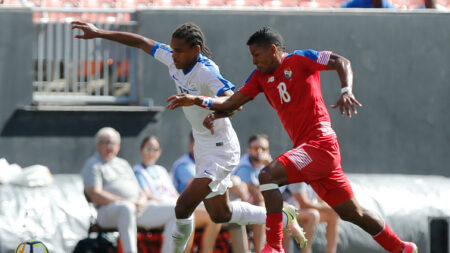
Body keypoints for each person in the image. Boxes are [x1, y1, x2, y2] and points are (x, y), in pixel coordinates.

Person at [166, 26, 418, 253]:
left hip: (321, 143)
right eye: (251, 56)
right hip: (309, 151)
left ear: (273, 49)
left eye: (257, 55)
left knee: (267, 175)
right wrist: (208, 105)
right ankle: (402, 248)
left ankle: (274, 245)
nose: (254, 61)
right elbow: (233, 101)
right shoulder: (260, 78)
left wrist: (345, 90)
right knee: (353, 213)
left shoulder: (300, 59)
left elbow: (341, 61)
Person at [72, 22, 306, 253]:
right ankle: (282, 215)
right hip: (203, 146)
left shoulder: (206, 71)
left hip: (221, 148)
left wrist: (213, 109)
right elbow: (141, 41)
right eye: (172, 49)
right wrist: (99, 32)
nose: (173, 55)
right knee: (220, 214)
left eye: (179, 50)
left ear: (195, 50)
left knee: (183, 207)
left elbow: (234, 101)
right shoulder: (173, 58)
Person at [133, 135, 221, 253]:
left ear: (159, 152)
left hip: (175, 206)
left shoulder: (161, 170)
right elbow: (147, 195)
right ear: (141, 150)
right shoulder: (138, 171)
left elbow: (174, 193)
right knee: (189, 216)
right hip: (159, 210)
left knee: (215, 216)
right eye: (148, 149)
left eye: (155, 150)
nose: (151, 153)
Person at [81, 127, 157, 253]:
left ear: (118, 146)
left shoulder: (123, 164)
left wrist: (142, 200)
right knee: (126, 208)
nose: (109, 147)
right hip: (106, 212)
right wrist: (128, 202)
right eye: (104, 143)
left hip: (136, 208)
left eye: (112, 143)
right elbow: (95, 194)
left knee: (173, 209)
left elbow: (139, 190)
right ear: (98, 145)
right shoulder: (93, 164)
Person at [233, 134, 272, 252]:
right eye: (255, 148)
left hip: (254, 207)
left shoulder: (264, 165)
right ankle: (260, 249)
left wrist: (269, 166)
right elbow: (259, 195)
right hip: (237, 209)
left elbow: (277, 192)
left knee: (284, 209)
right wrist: (270, 168)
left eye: (263, 149)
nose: (259, 152)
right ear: (248, 150)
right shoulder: (244, 167)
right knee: (261, 206)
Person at [282, 183, 339, 253]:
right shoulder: (297, 177)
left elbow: (322, 201)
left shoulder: (317, 178)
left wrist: (331, 208)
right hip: (287, 210)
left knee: (333, 215)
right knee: (313, 215)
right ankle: (306, 251)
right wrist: (329, 208)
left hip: (303, 211)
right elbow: (304, 204)